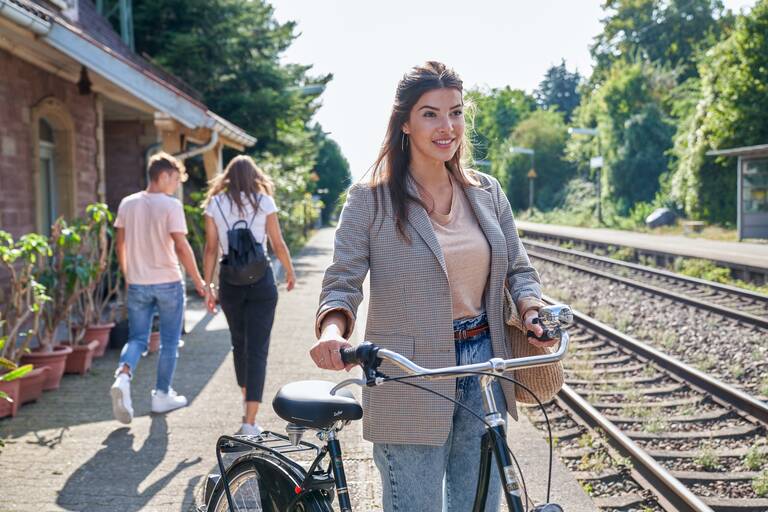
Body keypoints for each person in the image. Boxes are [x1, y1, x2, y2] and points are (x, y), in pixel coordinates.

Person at [310, 62, 553, 511]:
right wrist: (332, 331)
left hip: (484, 368)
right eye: (430, 114)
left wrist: (532, 307)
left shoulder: (487, 192)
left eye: (456, 113)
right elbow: (343, 280)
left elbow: (519, 269)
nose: (447, 127)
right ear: (404, 122)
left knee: (478, 505)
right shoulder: (371, 199)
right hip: (408, 376)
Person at [202, 155, 296, 436]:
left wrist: (208, 285)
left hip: (230, 281)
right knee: (257, 350)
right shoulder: (263, 201)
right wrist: (290, 272)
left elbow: (210, 248)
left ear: (227, 177)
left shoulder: (215, 203)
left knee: (239, 345)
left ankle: (247, 408)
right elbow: (277, 243)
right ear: (254, 176)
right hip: (261, 282)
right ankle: (250, 421)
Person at [110, 152, 206, 425]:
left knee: (137, 339)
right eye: (175, 179)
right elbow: (182, 246)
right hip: (168, 283)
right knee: (168, 342)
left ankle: (123, 375)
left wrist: (129, 274)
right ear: (163, 175)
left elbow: (120, 244)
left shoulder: (127, 204)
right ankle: (162, 395)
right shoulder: (170, 205)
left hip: (138, 283)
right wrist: (198, 281)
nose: (176, 185)